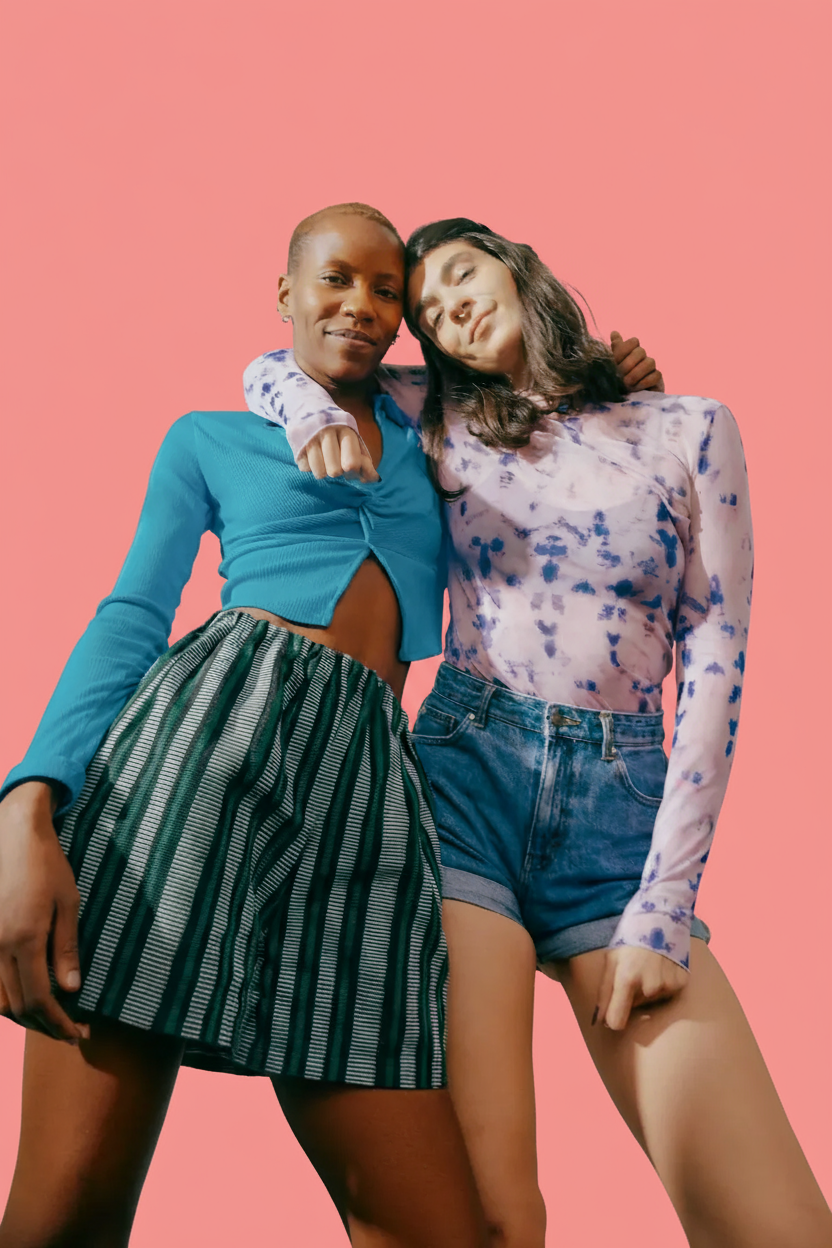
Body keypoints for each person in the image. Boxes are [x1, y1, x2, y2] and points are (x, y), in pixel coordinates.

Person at [245, 217, 832, 1248]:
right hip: (463, 785)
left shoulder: (690, 428)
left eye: (462, 276)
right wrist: (302, 414)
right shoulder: (432, 416)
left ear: (516, 269)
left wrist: (665, 899)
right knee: (493, 1218)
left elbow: (717, 660)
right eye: (427, 312)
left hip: (621, 816)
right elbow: (274, 365)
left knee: (777, 1227)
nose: (450, 306)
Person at [0, 204, 491, 1248]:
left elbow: (544, 403)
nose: (361, 305)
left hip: (367, 806)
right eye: (333, 280)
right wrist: (27, 805)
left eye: (386, 290)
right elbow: (134, 613)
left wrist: (613, 366)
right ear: (284, 295)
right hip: (196, 765)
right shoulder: (213, 437)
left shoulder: (438, 442)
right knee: (63, 1219)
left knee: (444, 1232)